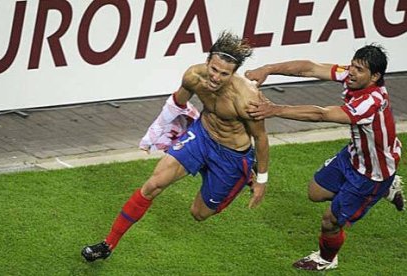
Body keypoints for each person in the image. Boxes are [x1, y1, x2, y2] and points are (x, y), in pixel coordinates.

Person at [81, 31, 269, 262]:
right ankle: (108, 244)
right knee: (153, 184)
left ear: (234, 73)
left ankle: (243, 177)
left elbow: (260, 138)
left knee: (199, 214)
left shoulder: (246, 98)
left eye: (224, 74)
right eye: (213, 69)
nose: (216, 78)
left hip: (231, 156)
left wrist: (261, 180)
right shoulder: (193, 76)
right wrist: (158, 130)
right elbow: (177, 103)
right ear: (207, 61)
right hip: (202, 136)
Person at [245, 44, 404, 271]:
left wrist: (274, 110)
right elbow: (310, 68)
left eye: (359, 70)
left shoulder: (371, 102)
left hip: (372, 175)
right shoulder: (352, 76)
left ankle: (326, 259)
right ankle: (389, 187)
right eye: (353, 65)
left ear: (375, 76)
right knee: (315, 192)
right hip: (353, 156)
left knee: (330, 222)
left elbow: (321, 114)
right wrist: (268, 68)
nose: (351, 72)